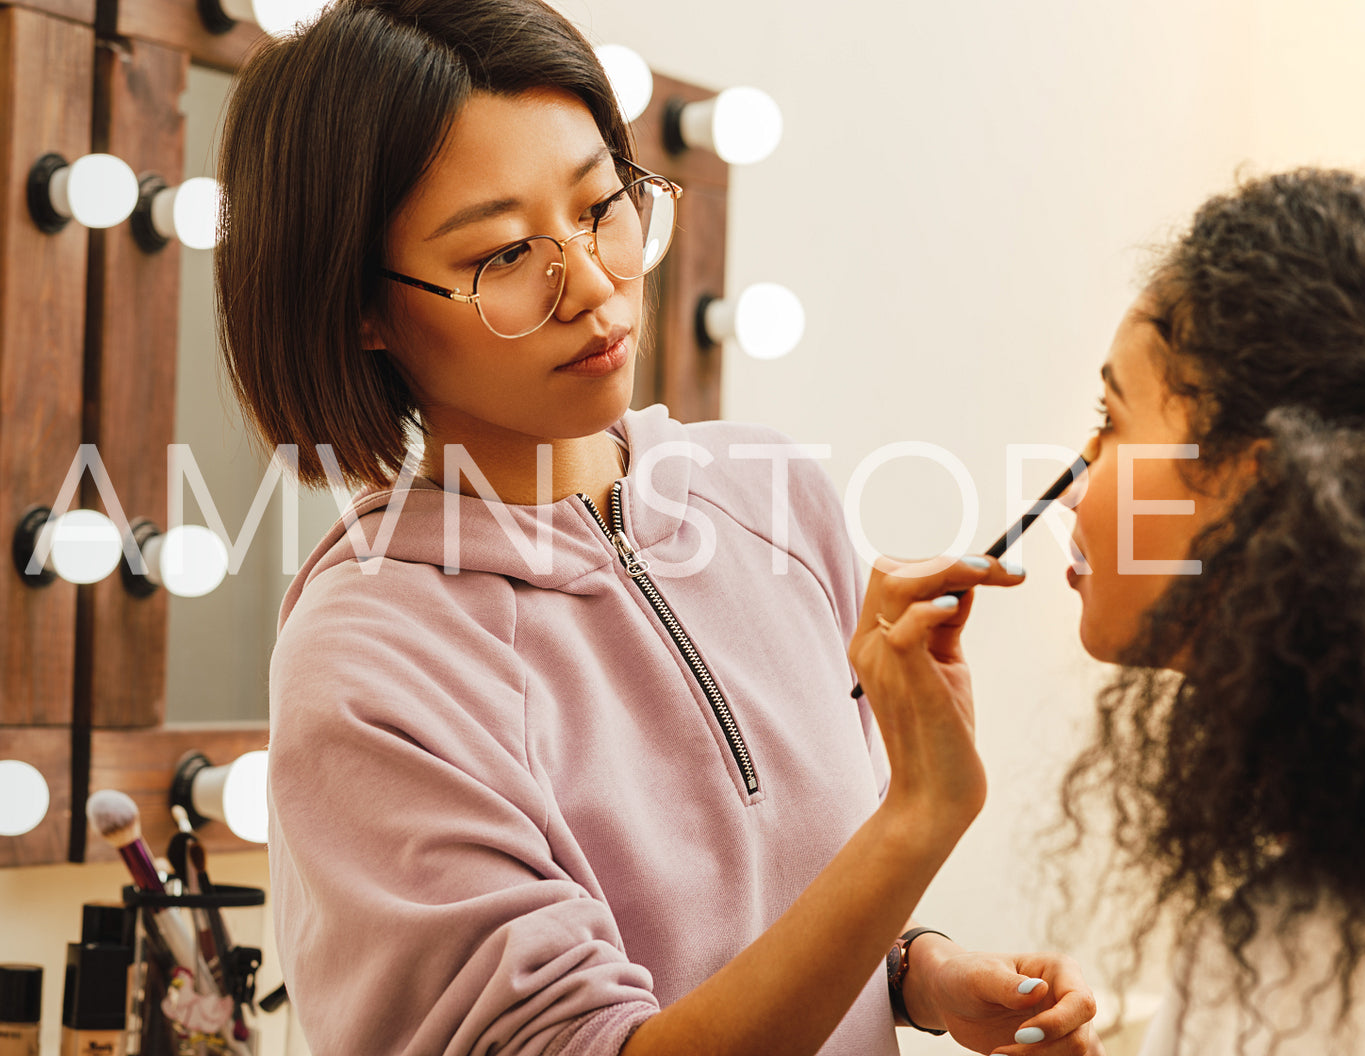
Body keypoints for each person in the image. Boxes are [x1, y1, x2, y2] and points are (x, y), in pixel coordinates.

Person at [212, 1, 1103, 1054]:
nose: (591, 285)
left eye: (602, 206)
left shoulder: (767, 492)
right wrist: (917, 821)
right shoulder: (372, 658)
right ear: (359, 306)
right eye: (503, 255)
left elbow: (775, 902)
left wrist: (916, 972)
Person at [886, 168, 1365, 1055]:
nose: (1072, 489)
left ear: (1252, 481)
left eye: (1109, 419)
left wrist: (921, 807)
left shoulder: (1305, 963)